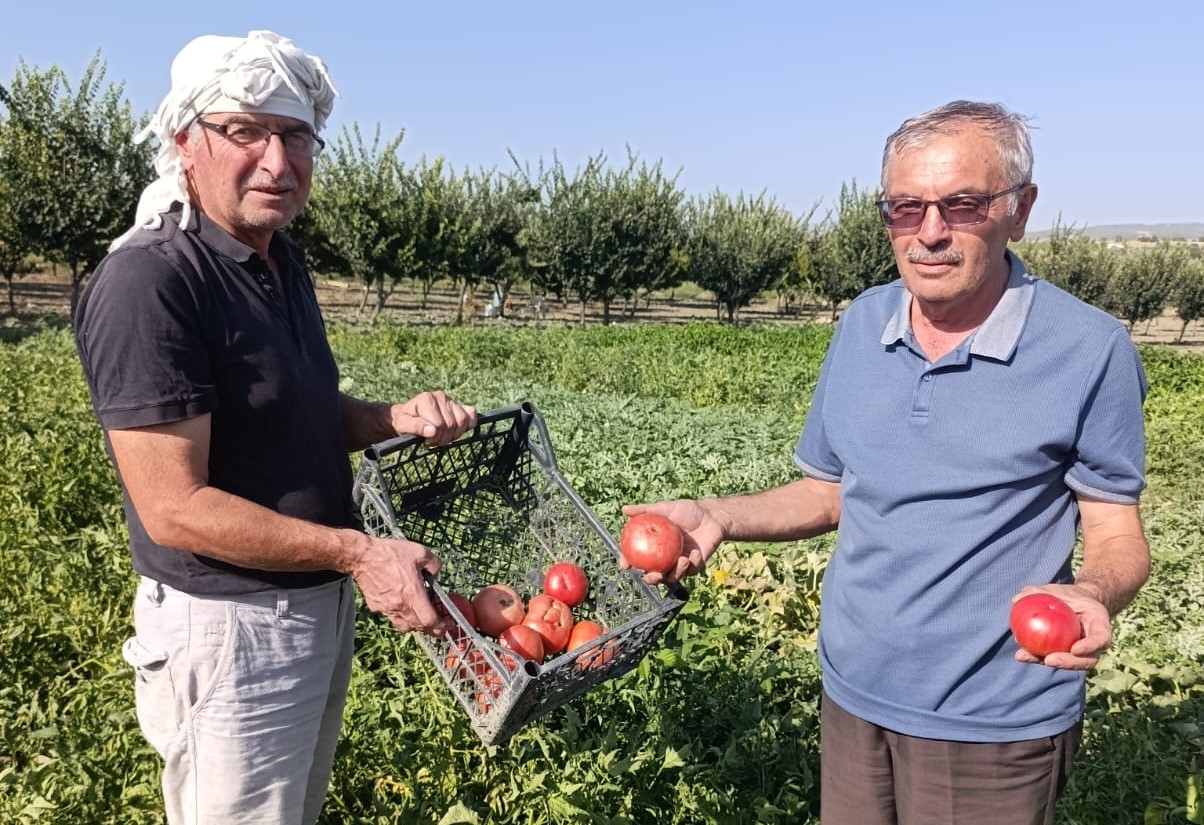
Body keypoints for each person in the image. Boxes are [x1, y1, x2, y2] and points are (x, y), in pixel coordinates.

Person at [625, 100, 1150, 825]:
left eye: (961, 204)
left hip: (990, 722)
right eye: (905, 209)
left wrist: (1095, 590)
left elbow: (1117, 532)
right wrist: (716, 514)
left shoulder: (1089, 349)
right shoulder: (862, 324)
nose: (929, 232)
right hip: (852, 696)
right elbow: (829, 490)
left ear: (1019, 210)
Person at [73, 31, 477, 824]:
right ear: (185, 141)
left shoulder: (275, 260)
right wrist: (360, 551)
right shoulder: (152, 280)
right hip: (230, 628)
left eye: (295, 135)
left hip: (312, 606)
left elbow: (294, 408)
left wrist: (389, 418)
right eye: (246, 131)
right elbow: (175, 506)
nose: (277, 161)